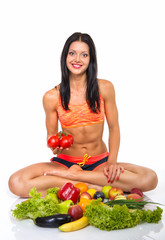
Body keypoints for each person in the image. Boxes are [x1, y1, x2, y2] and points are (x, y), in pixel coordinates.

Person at [8, 32, 158, 197]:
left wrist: (112, 162)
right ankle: (90, 185)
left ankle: (77, 178)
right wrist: (54, 146)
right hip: (65, 165)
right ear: (65, 57)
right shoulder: (51, 97)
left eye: (84, 55)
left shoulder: (105, 88)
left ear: (91, 59)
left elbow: (114, 128)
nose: (77, 59)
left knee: (149, 178)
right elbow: (52, 136)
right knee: (16, 182)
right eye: (72, 53)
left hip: (100, 163)